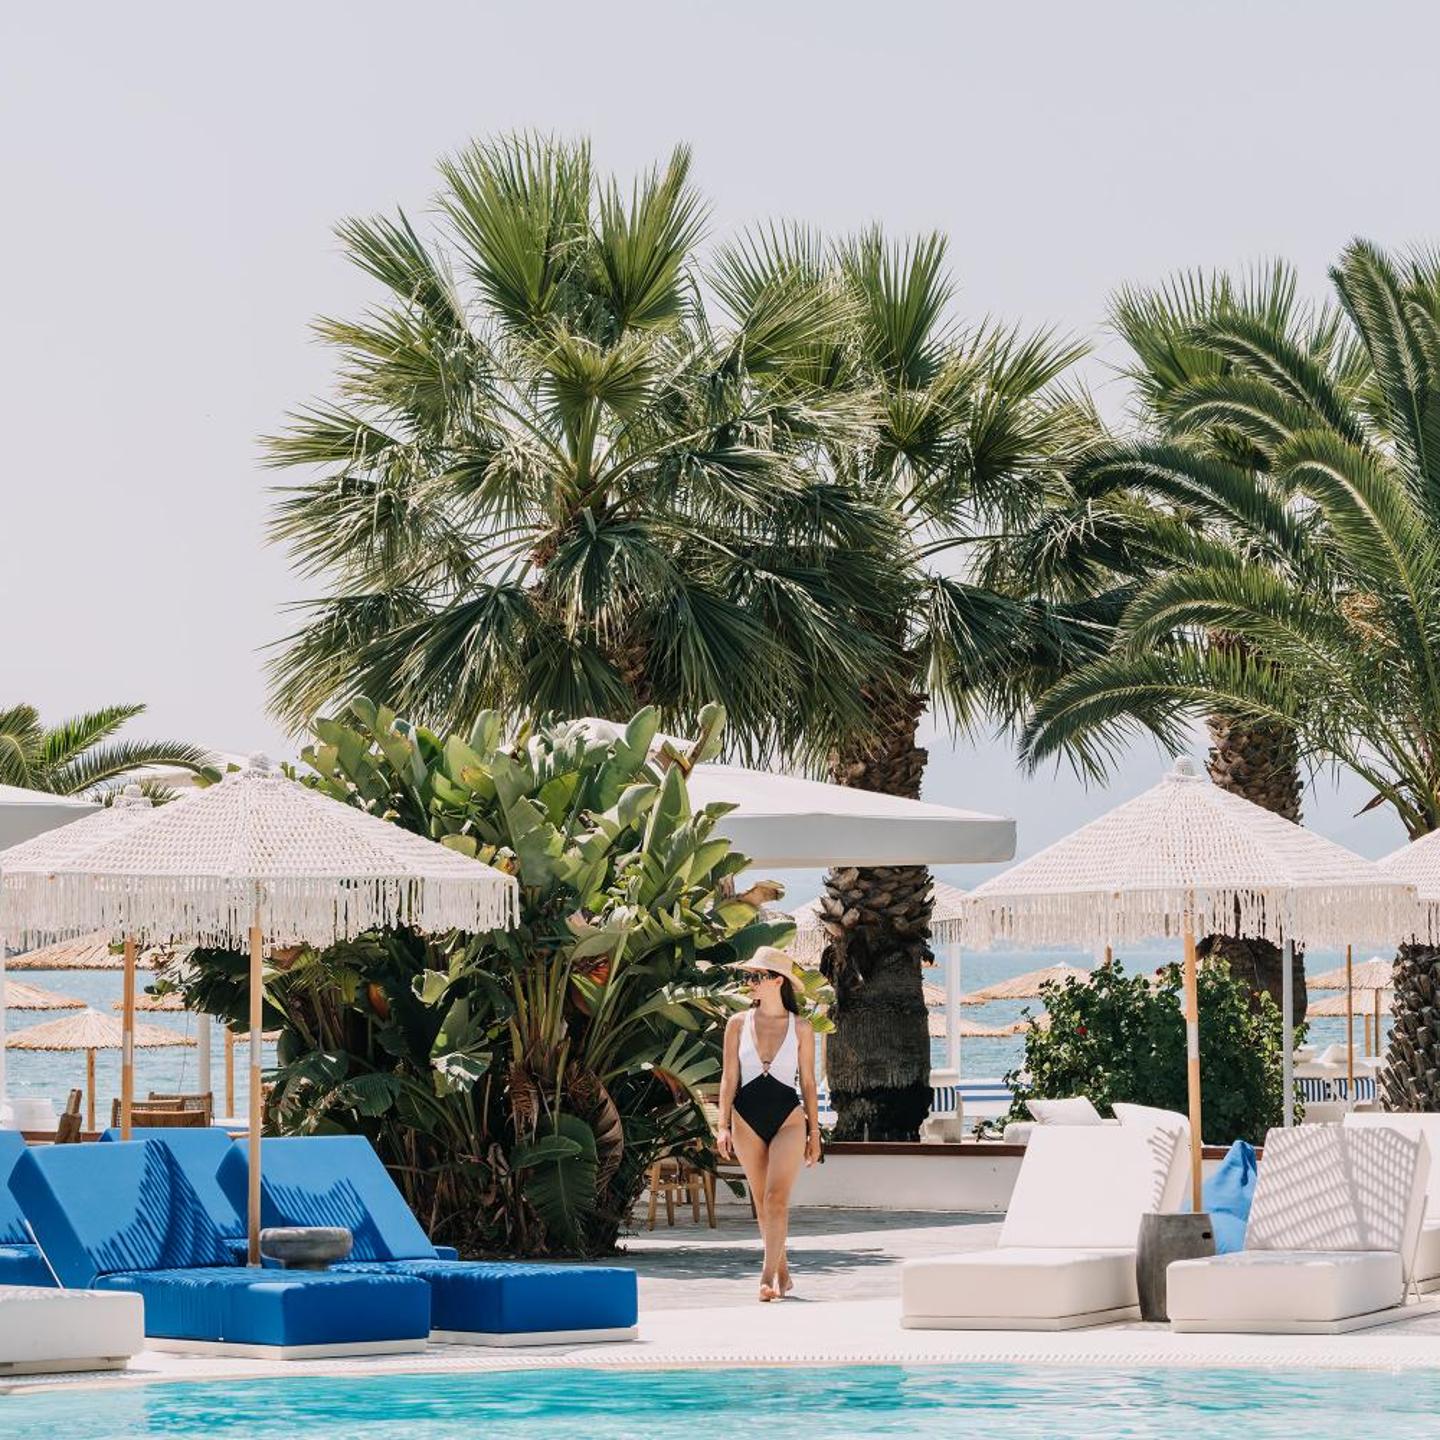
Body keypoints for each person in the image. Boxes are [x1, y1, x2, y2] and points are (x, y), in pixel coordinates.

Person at [715, 945, 822, 1301]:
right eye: (749, 977)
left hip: (788, 1118)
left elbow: (809, 1083)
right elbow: (729, 1077)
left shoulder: (801, 1027)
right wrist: (722, 1125)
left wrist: (815, 1133)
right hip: (746, 1118)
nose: (750, 983)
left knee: (776, 1199)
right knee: (763, 1202)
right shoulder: (737, 1023)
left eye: (757, 977)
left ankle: (766, 1277)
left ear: (778, 981)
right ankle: (783, 1274)